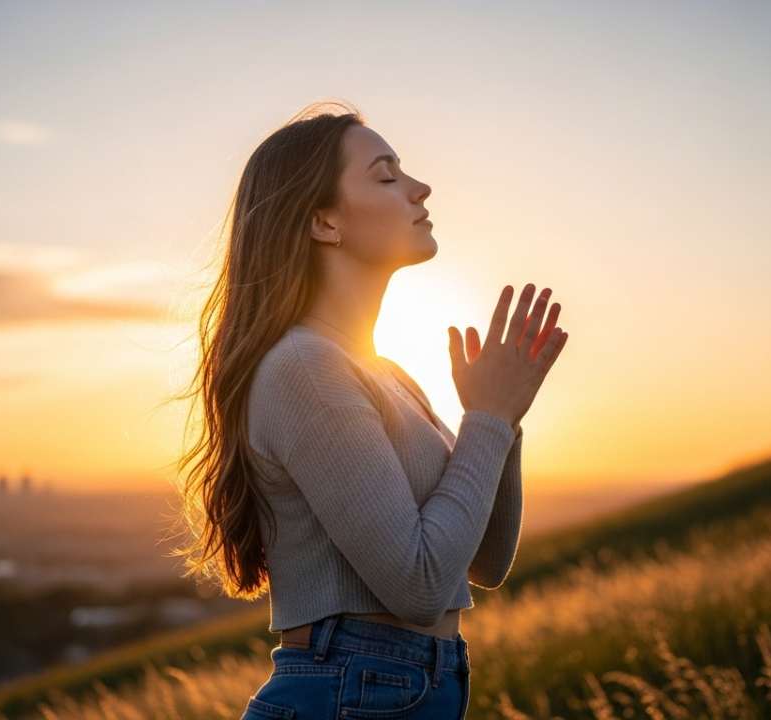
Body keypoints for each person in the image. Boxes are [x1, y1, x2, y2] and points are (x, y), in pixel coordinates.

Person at [168, 100, 568, 719]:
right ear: (324, 222)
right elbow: (420, 587)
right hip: (347, 692)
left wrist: (503, 417)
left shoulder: (382, 374)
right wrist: (486, 420)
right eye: (386, 176)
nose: (420, 188)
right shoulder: (304, 367)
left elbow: (484, 564)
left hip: (404, 688)